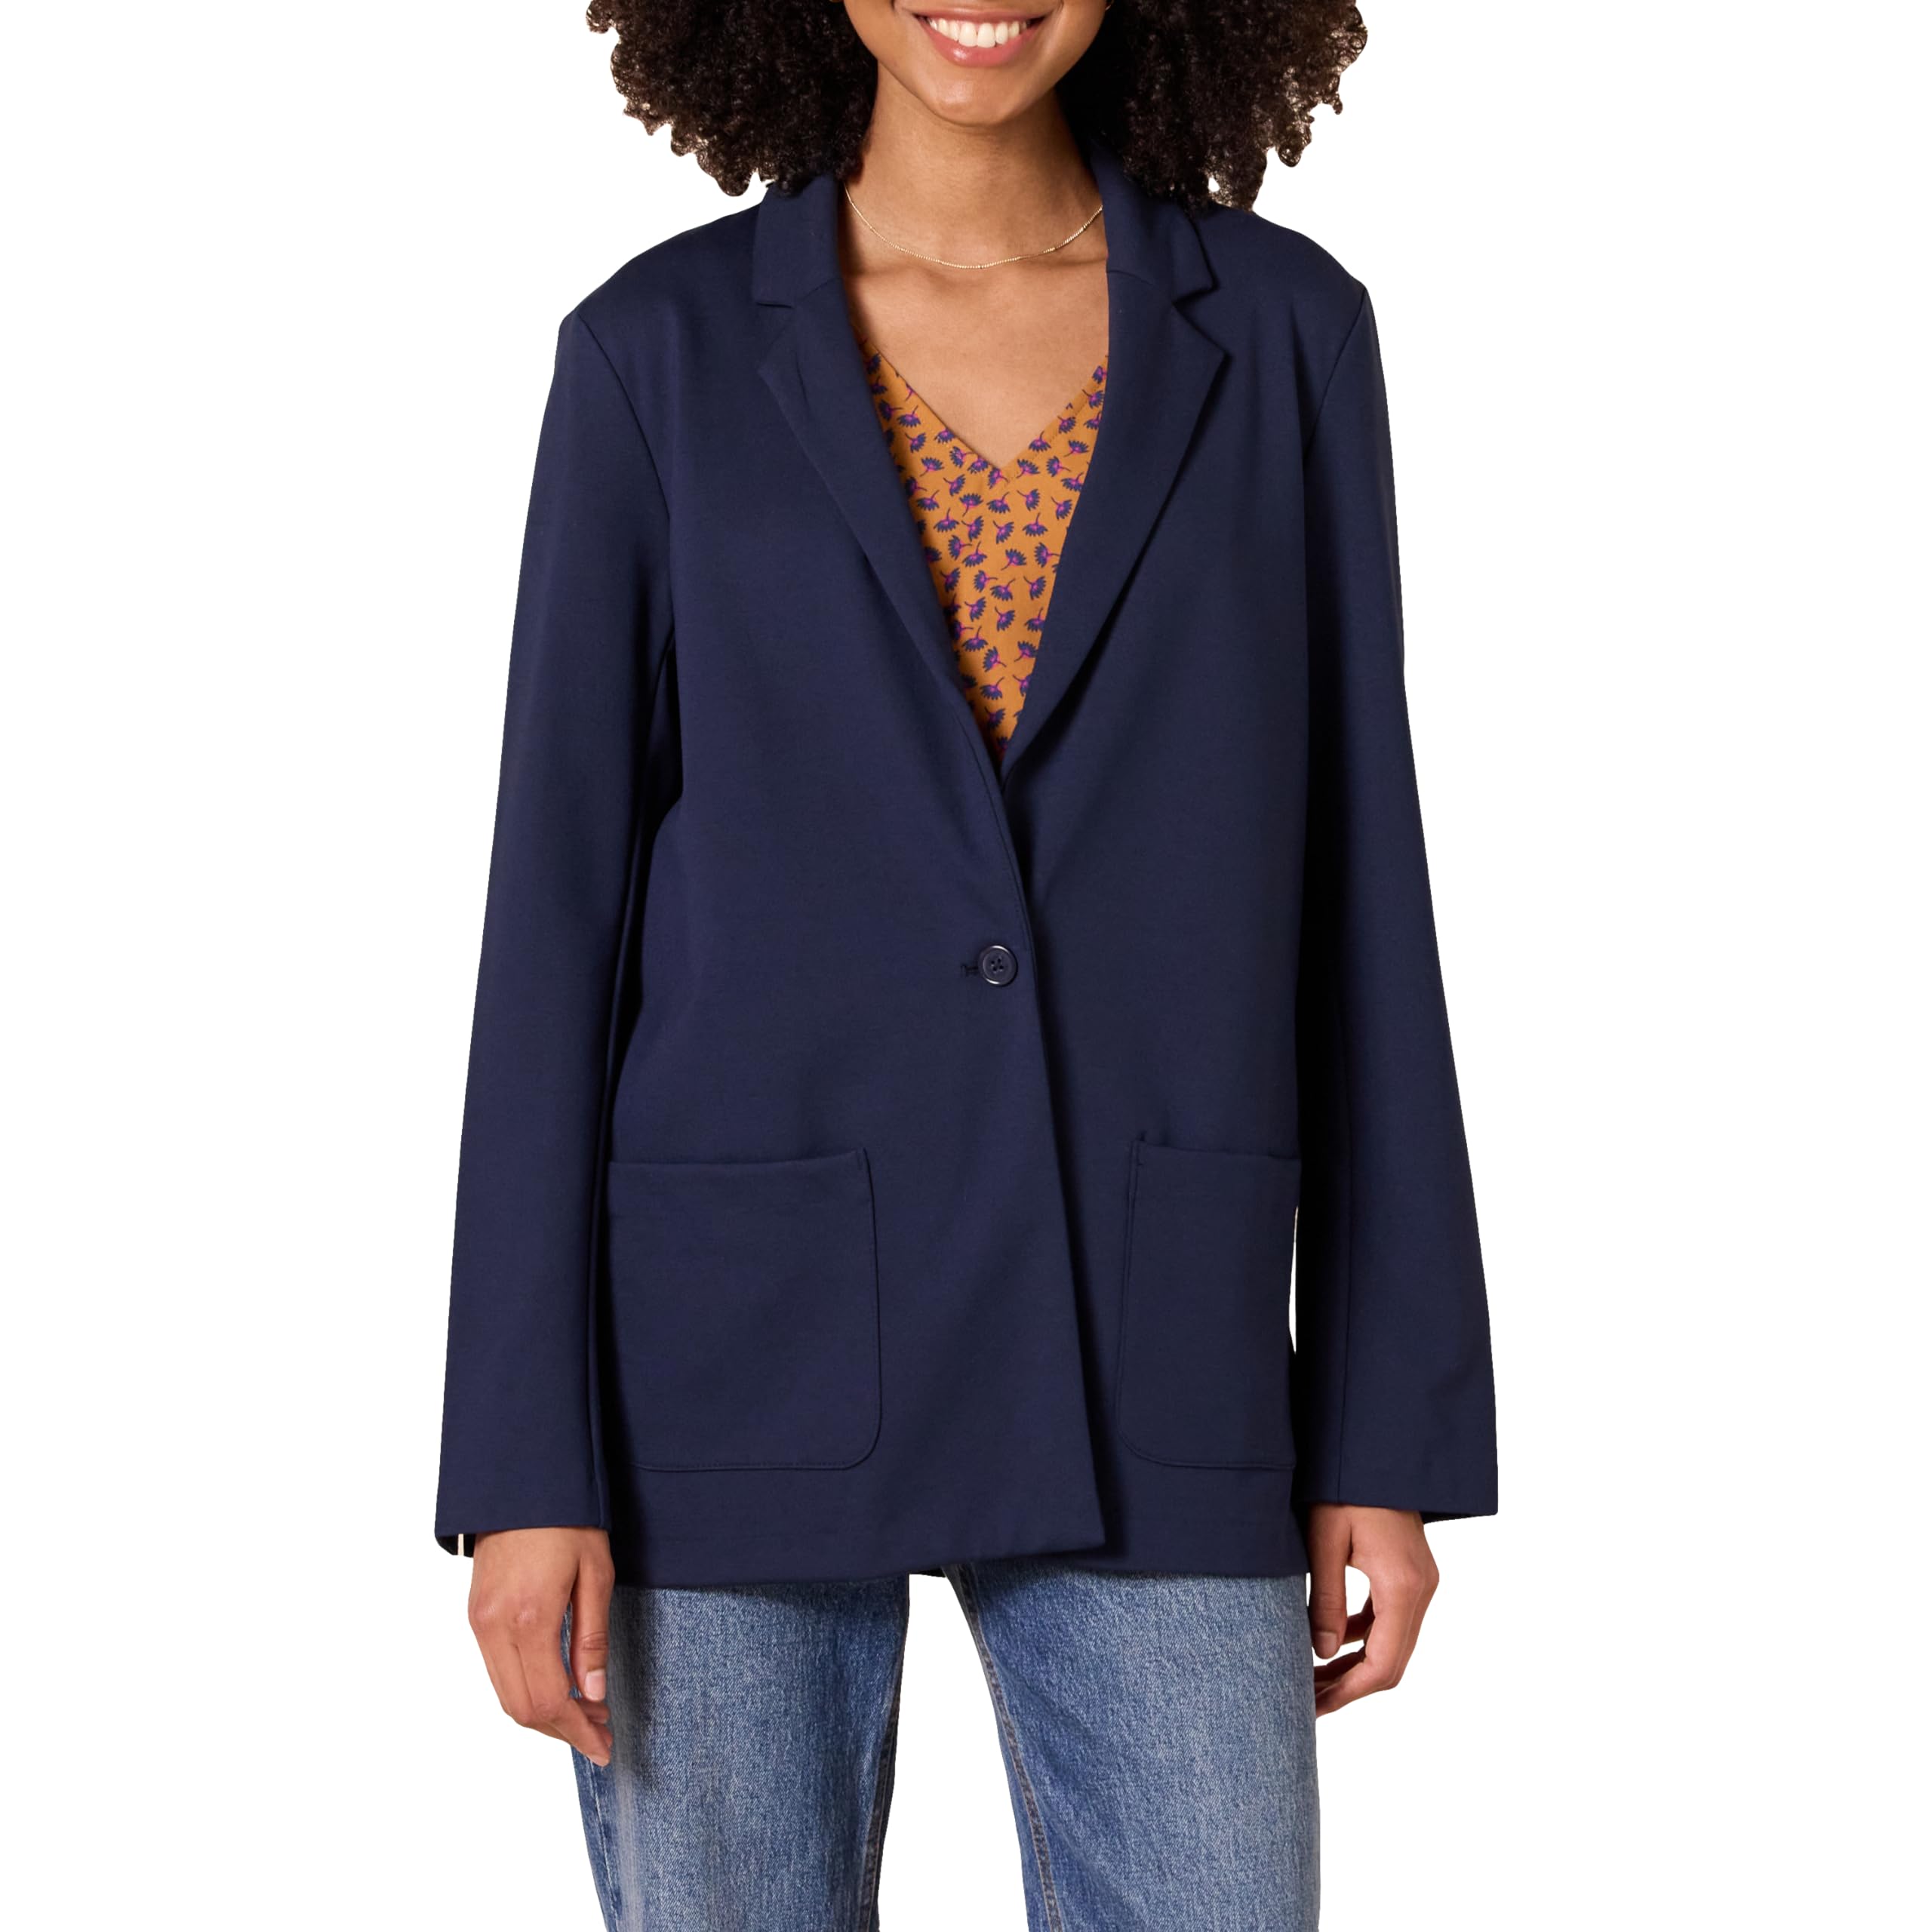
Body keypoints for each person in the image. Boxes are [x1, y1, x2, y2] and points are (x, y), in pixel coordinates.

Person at [434, 4, 1496, 1926]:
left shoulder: (1283, 336)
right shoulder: (653, 354)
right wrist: (522, 1461)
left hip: (1151, 1335)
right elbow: (553, 928)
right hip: (727, 1362)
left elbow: (1359, 882)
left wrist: (1381, 1422)